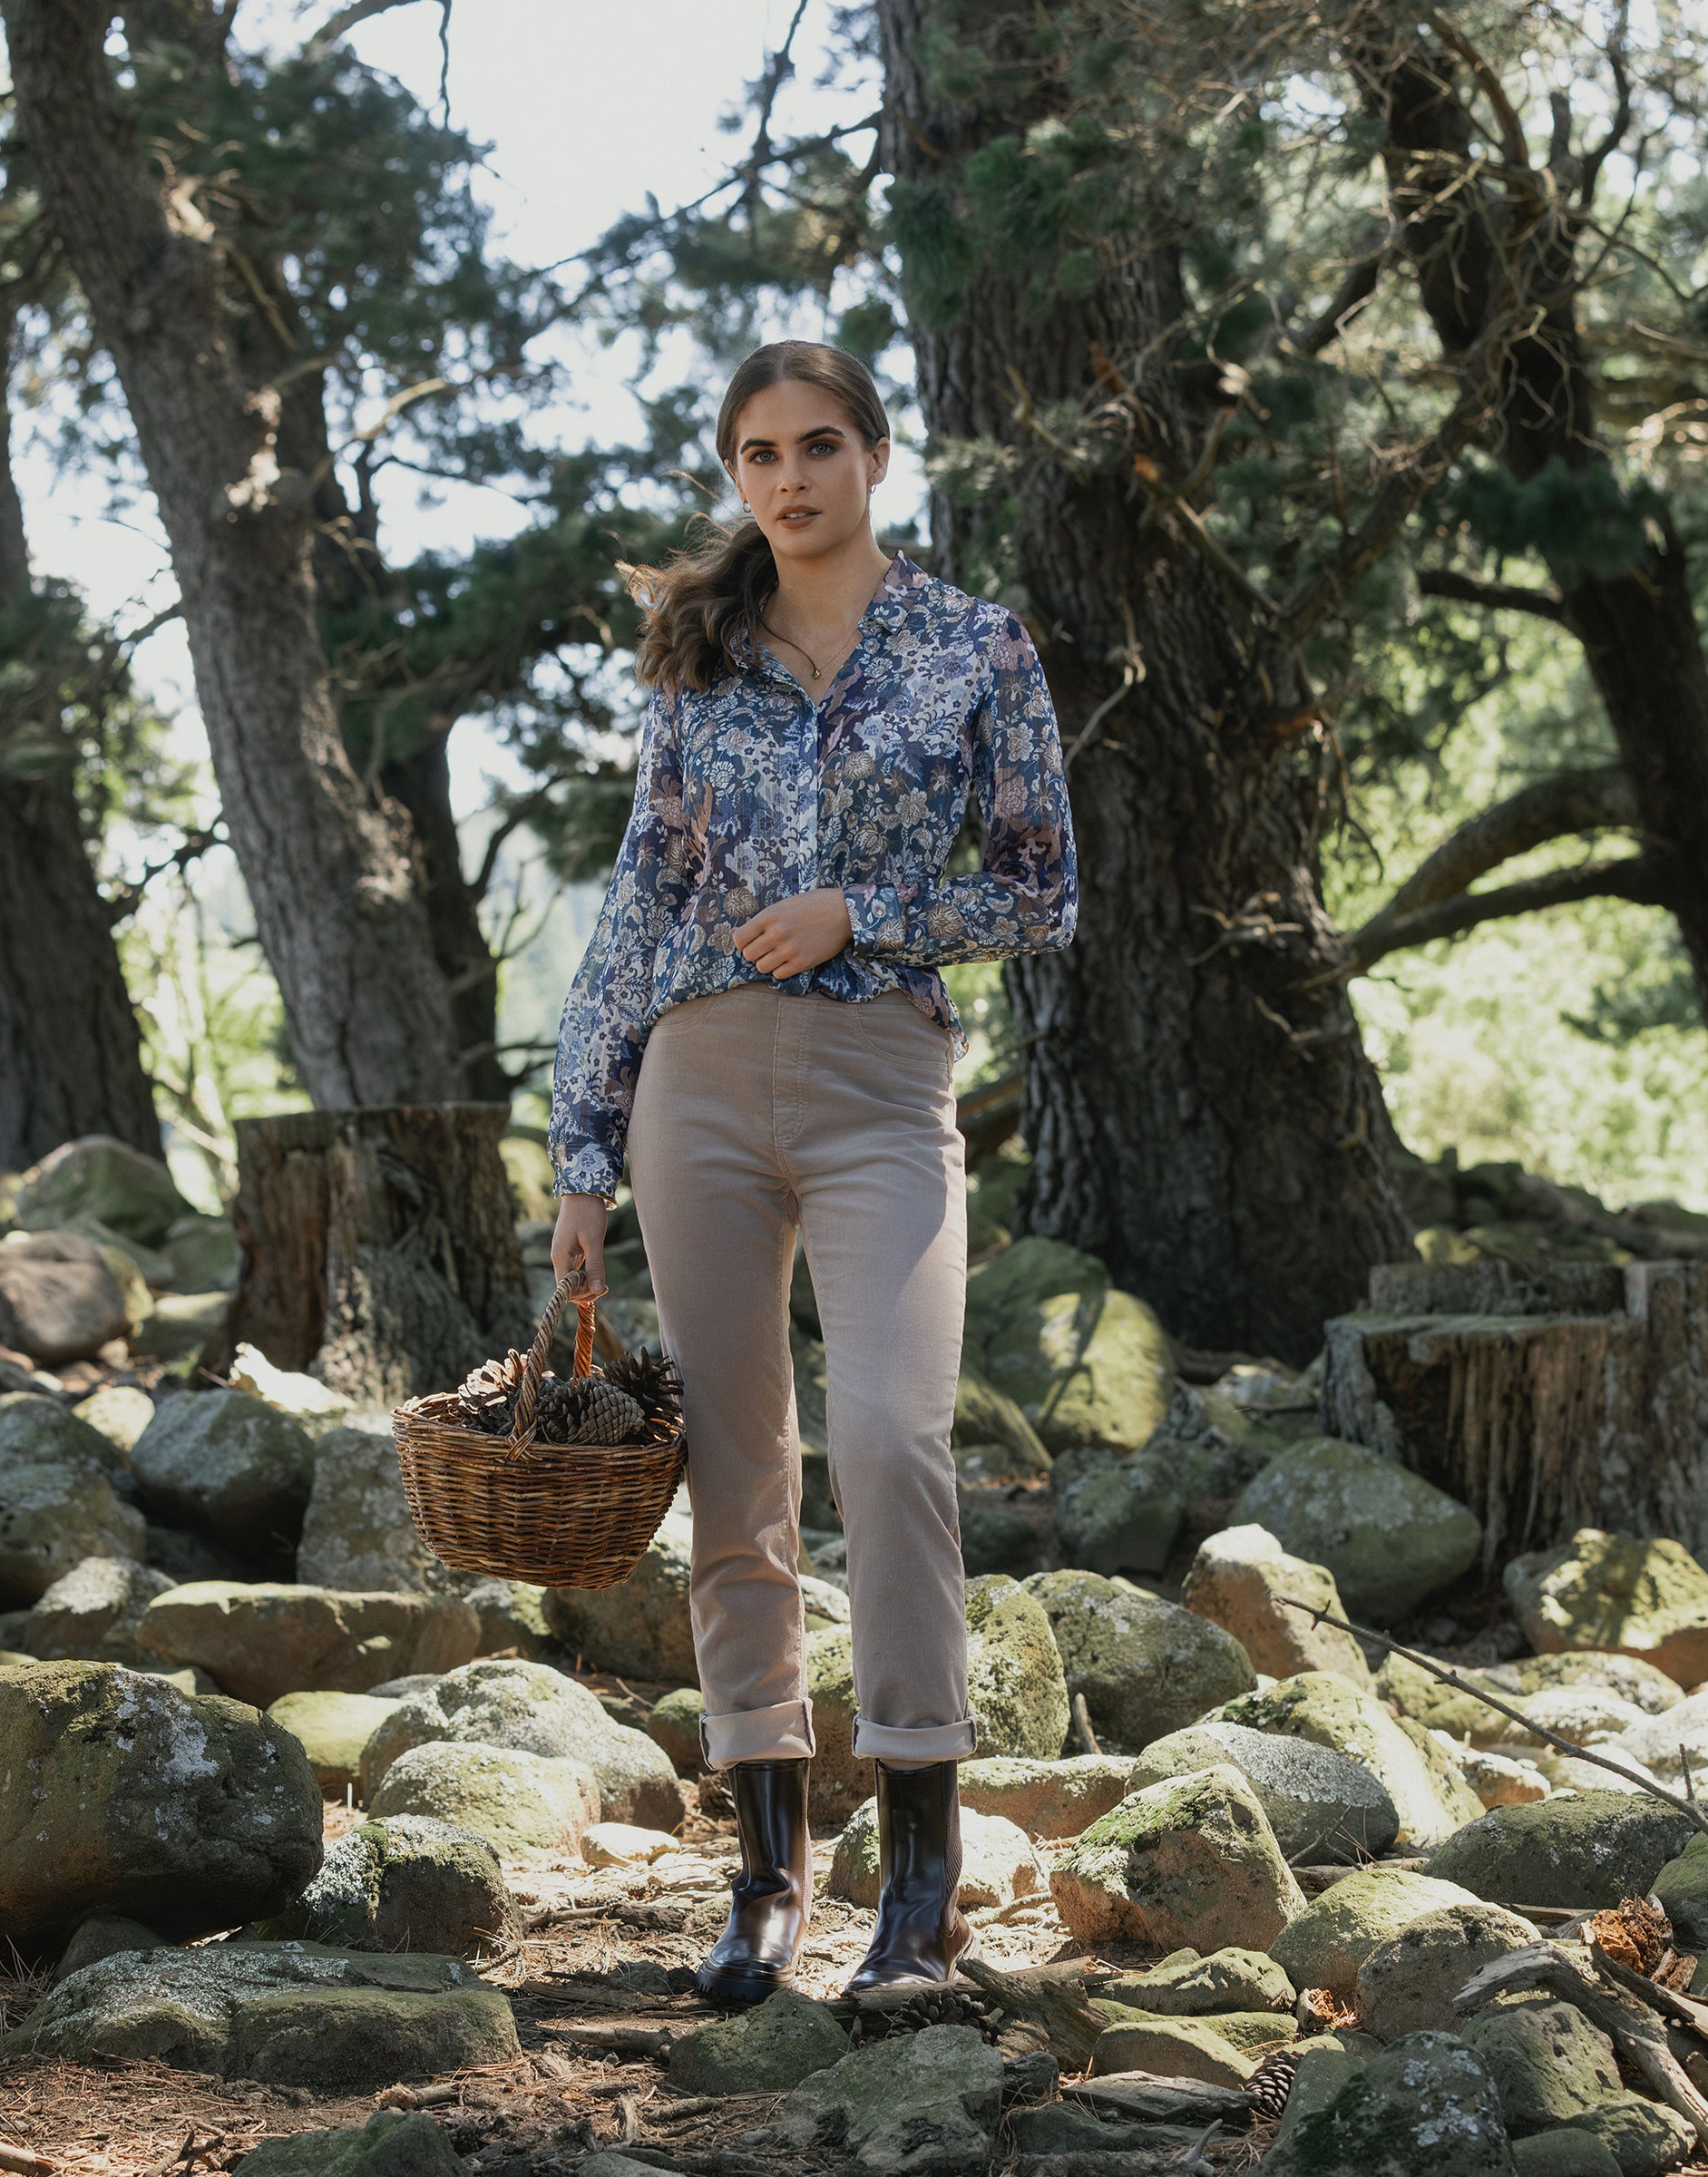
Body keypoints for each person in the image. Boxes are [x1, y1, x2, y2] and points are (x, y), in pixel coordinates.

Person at [546, 339, 1077, 2004]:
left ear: (875, 459)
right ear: (738, 476)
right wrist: (582, 1146)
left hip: (877, 1084)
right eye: (760, 454)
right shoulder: (700, 666)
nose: (790, 478)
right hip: (693, 1088)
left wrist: (870, 912)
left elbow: (1045, 892)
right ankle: (764, 1878)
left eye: (820, 446)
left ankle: (919, 1883)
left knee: (896, 1440)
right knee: (735, 1476)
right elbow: (638, 906)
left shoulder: (974, 647)